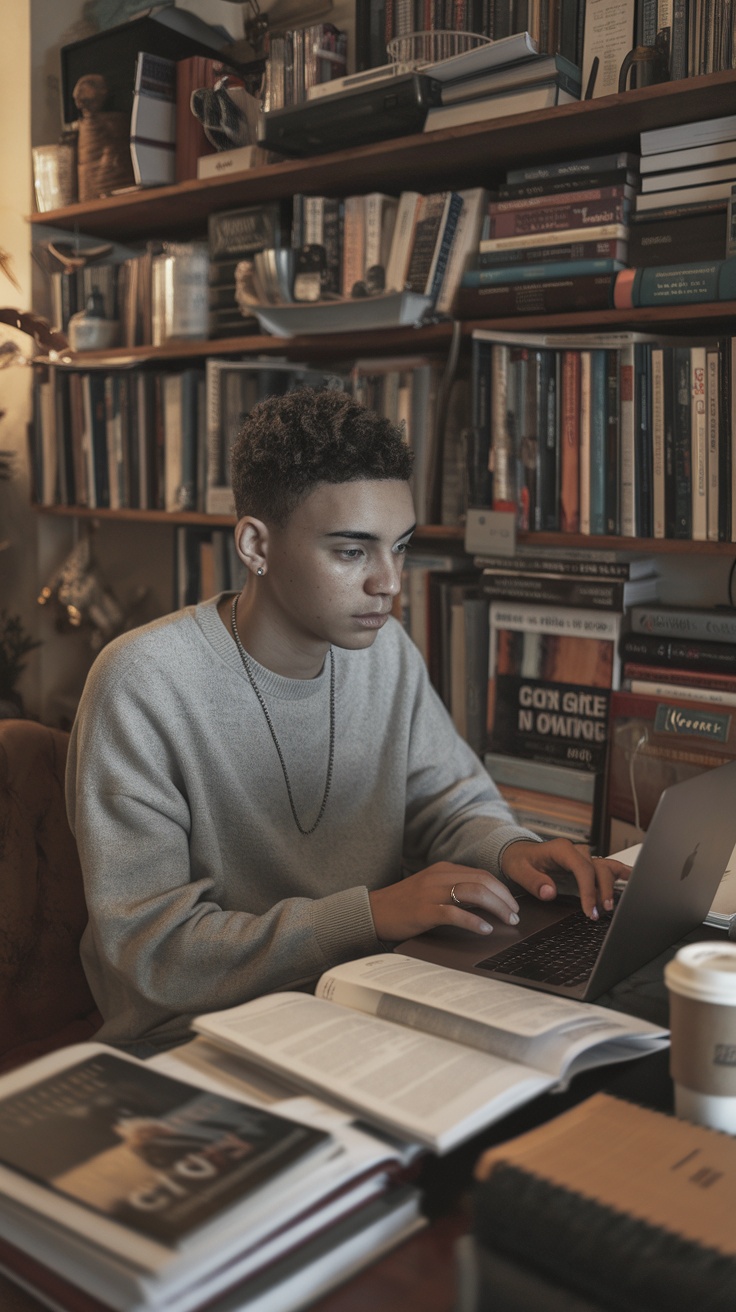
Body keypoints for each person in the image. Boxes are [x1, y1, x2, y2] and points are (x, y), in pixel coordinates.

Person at [67, 387, 625, 1055]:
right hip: (193, 1039)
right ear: (256, 546)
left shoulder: (384, 649)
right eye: (352, 551)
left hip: (366, 994)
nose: (389, 582)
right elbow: (155, 955)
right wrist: (372, 914)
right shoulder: (142, 683)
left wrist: (508, 849)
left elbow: (447, 802)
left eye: (401, 547)